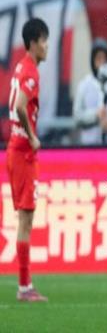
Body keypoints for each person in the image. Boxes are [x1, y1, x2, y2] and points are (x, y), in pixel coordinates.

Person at [6, 18, 49, 302]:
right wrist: (32, 136)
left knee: (24, 218)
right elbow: (21, 105)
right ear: (33, 43)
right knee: (25, 219)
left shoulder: (21, 66)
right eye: (44, 40)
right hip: (23, 152)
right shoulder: (31, 71)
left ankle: (25, 285)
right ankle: (24, 287)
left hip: (15, 149)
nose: (47, 46)